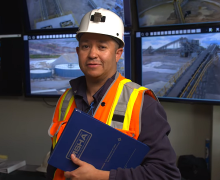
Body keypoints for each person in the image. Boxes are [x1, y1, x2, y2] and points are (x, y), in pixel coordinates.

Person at [47, 8, 181, 180]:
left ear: (118, 54)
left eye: (102, 47)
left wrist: (103, 177)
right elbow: (54, 162)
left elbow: (165, 175)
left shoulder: (142, 104)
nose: (92, 54)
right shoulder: (65, 100)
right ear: (78, 51)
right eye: (85, 46)